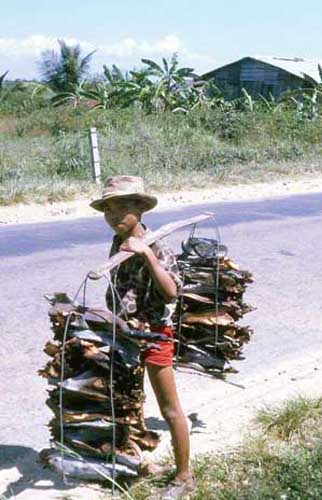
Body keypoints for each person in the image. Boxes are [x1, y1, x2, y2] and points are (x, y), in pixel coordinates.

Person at [90, 175, 194, 498]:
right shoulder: (117, 240)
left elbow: (171, 292)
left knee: (170, 409)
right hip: (125, 335)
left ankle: (184, 476)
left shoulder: (156, 246)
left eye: (122, 207)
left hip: (153, 336)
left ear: (140, 208)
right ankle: (140, 462)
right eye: (108, 209)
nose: (114, 215)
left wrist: (146, 255)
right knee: (127, 404)